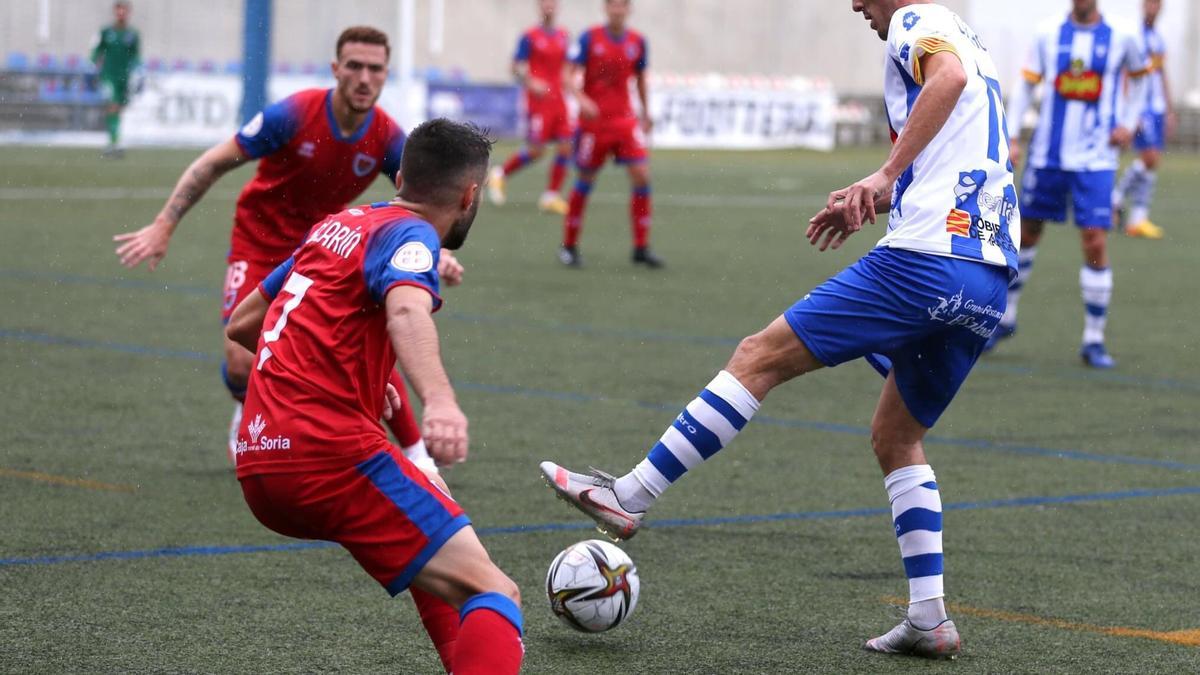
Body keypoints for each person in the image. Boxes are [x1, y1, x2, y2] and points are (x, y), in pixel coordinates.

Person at [542, 0, 1022, 659]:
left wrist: (883, 175)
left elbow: (946, 84)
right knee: (896, 436)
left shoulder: (917, 20)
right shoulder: (975, 40)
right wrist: (886, 195)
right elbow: (965, 127)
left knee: (758, 356)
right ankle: (929, 616)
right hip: (988, 276)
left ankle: (630, 495)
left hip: (926, 260)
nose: (856, 5)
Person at [225, 119, 523, 675]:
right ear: (470, 196)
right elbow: (407, 309)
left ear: (402, 175)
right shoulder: (413, 238)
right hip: (327, 455)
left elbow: (244, 324)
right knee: (497, 592)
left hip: (258, 459)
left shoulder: (337, 225)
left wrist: (355, 372)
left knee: (439, 559)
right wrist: (439, 401)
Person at [113, 26, 447, 466]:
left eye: (375, 68)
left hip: (325, 250)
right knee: (238, 361)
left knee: (362, 343)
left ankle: (417, 456)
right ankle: (247, 408)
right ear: (336, 69)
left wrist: (438, 251)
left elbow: (418, 198)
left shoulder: (386, 136)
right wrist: (164, 223)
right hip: (258, 242)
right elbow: (213, 163)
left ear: (385, 74)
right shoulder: (293, 114)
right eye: (354, 66)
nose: (364, 78)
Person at [990, 0, 1151, 368]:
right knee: (1027, 233)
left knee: (1094, 238)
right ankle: (1006, 318)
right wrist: (1012, 135)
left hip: (1096, 159)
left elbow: (1142, 77)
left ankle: (1093, 339)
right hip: (1048, 155)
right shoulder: (1048, 33)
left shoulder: (1122, 35)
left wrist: (1129, 121)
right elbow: (1027, 85)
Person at [559, 0, 662, 268]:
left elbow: (640, 78)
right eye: (613, 5)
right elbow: (567, 76)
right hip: (595, 123)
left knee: (642, 175)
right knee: (585, 180)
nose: (618, 10)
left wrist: (645, 111)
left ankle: (641, 247)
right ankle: (569, 245)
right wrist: (581, 99)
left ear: (629, 9)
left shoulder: (638, 41)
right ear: (606, 8)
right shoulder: (589, 37)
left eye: (622, 5)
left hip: (624, 122)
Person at [487, 0, 573, 216]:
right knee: (537, 150)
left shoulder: (564, 35)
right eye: (545, 2)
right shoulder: (530, 36)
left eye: (552, 2)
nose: (549, 6)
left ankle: (551, 196)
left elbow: (566, 66)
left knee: (566, 145)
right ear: (539, 6)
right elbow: (515, 67)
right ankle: (500, 173)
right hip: (539, 101)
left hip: (558, 100)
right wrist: (531, 82)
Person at [1112, 0, 1173, 239]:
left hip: (1157, 108)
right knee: (1150, 158)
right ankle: (1115, 199)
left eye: (1157, 3)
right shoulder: (1134, 35)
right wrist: (1130, 111)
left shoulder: (1158, 39)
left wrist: (1169, 109)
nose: (1153, 7)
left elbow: (1162, 74)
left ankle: (1138, 218)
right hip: (1142, 108)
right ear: (1143, 6)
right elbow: (1127, 72)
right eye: (1150, 2)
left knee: (1152, 162)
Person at [90, 0, 141, 158]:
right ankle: (114, 143)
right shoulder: (106, 32)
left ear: (128, 12)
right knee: (112, 105)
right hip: (109, 75)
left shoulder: (133, 34)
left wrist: (136, 72)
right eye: (119, 10)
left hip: (124, 77)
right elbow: (96, 51)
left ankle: (115, 140)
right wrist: (93, 66)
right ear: (115, 11)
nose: (121, 13)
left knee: (118, 109)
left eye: (124, 10)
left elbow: (136, 56)